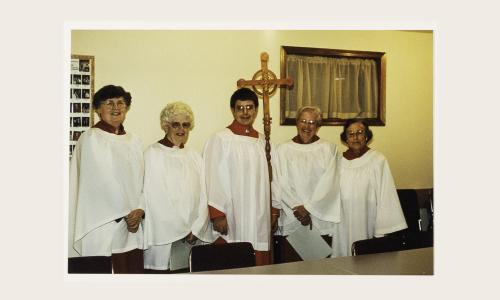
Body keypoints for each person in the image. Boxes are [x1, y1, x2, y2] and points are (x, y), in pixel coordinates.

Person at [68, 85, 146, 273]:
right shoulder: (91, 138)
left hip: (131, 224)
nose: (116, 107)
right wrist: (129, 213)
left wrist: (140, 209)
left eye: (120, 102)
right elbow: (100, 182)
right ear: (97, 109)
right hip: (102, 224)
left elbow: (143, 180)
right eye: (109, 103)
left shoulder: (134, 140)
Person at [202, 87, 280, 266]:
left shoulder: (264, 141)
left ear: (256, 110)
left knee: (260, 260)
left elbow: (274, 177)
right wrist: (217, 214)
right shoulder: (221, 139)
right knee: (234, 259)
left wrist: (274, 209)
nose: (245, 113)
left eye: (249, 107)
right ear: (232, 110)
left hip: (260, 212)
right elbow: (213, 177)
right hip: (232, 213)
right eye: (240, 108)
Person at [143, 102, 215, 272]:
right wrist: (181, 230)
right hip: (164, 236)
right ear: (165, 126)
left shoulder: (195, 156)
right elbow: (154, 198)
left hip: (193, 236)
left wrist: (196, 228)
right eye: (176, 124)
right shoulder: (152, 154)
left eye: (186, 125)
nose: (181, 129)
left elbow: (204, 195)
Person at [331, 119, 408, 257]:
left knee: (366, 260)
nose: (355, 137)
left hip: (368, 218)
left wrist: (383, 227)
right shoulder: (337, 161)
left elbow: (386, 194)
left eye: (360, 133)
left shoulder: (377, 160)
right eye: (351, 134)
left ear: (366, 136)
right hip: (341, 221)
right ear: (345, 139)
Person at [274, 106, 341, 262]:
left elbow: (330, 183)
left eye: (312, 122)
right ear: (297, 123)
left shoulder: (328, 149)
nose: (307, 126)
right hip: (292, 217)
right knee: (293, 270)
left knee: (320, 271)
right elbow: (279, 182)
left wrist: (308, 208)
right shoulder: (283, 150)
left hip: (320, 218)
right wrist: (297, 207)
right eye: (303, 121)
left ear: (318, 126)